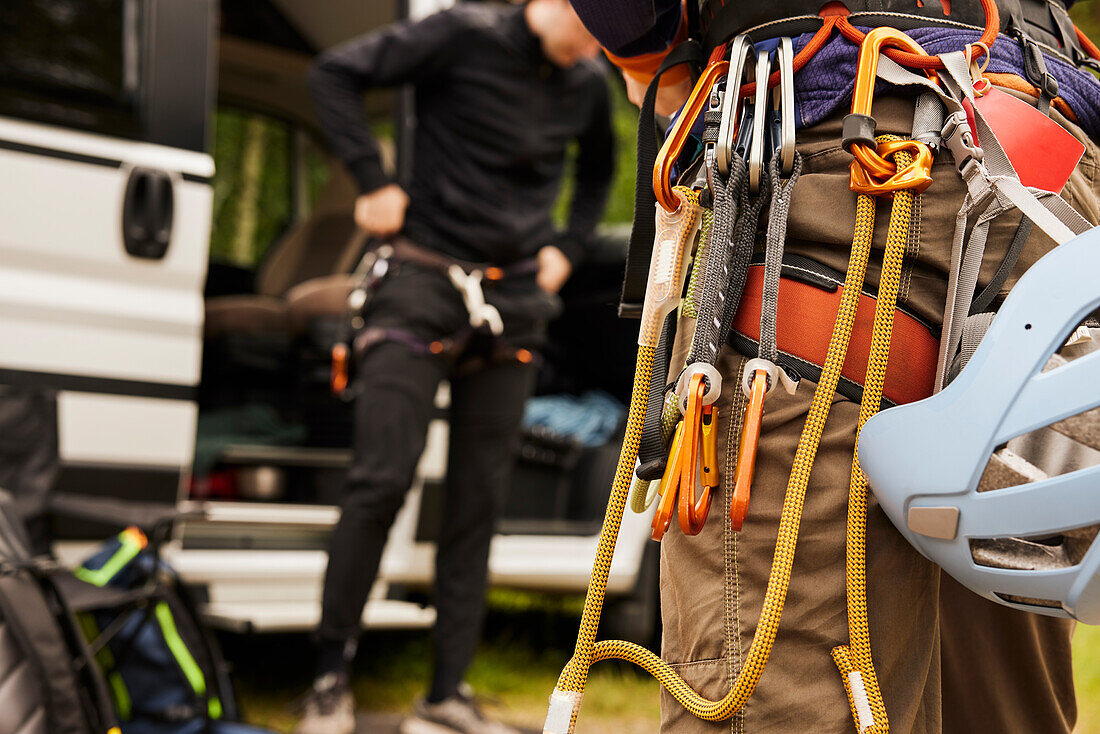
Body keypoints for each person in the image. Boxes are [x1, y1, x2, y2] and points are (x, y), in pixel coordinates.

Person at [561, 1, 1100, 733]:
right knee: (1002, 696)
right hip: (1051, 175)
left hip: (850, 150)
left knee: (785, 701)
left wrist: (647, 51)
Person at [294, 1, 613, 733]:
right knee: (382, 478)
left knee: (477, 504)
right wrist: (373, 179)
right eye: (592, 23)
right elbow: (334, 74)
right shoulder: (461, 35)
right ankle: (328, 679)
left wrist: (568, 245)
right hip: (420, 284)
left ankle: (444, 697)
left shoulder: (588, 83)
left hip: (512, 303)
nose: (598, 43)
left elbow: (597, 174)